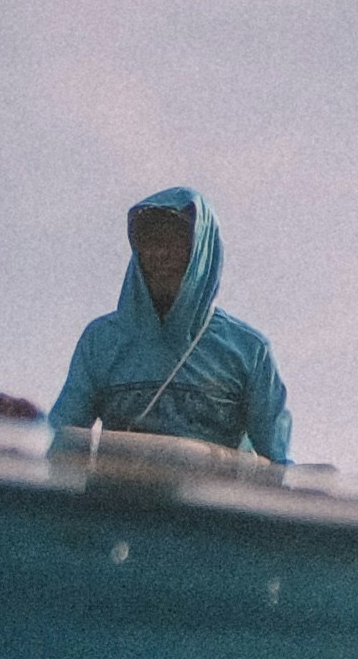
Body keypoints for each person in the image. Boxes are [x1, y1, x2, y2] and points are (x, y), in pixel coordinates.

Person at [42, 187, 292, 459]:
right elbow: (62, 438)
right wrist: (27, 424)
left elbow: (277, 463)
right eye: (149, 241)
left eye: (175, 241)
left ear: (202, 252)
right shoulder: (102, 340)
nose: (160, 254)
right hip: (116, 487)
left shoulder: (249, 350)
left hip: (209, 488)